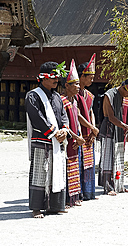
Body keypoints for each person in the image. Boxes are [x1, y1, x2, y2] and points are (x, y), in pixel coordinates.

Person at [25, 61, 69, 218]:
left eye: (57, 78)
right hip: (42, 139)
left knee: (56, 172)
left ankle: (54, 206)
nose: (56, 81)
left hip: (57, 140)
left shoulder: (57, 96)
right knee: (40, 173)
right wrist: (53, 132)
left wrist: (64, 129)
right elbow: (37, 117)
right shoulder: (33, 95)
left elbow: (64, 115)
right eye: (53, 78)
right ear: (43, 78)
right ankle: (36, 207)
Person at [98, 79, 128, 195]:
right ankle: (108, 187)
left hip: (121, 129)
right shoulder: (109, 95)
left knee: (119, 158)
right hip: (109, 128)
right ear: (123, 87)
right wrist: (127, 127)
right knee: (107, 159)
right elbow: (110, 117)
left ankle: (119, 186)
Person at [60, 59, 86, 207]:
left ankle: (75, 197)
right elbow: (64, 123)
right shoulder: (62, 100)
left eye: (78, 84)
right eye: (74, 84)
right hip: (68, 139)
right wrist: (76, 137)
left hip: (77, 139)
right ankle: (66, 199)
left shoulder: (74, 101)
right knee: (67, 166)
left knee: (75, 166)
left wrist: (80, 136)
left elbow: (77, 120)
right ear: (66, 86)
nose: (77, 87)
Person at [76, 53, 100, 201]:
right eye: (89, 76)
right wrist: (91, 127)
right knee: (79, 163)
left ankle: (89, 192)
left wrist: (93, 128)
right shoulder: (74, 93)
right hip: (79, 131)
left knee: (89, 162)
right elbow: (77, 114)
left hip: (89, 131)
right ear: (82, 76)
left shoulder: (89, 94)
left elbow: (91, 111)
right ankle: (79, 193)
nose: (92, 79)